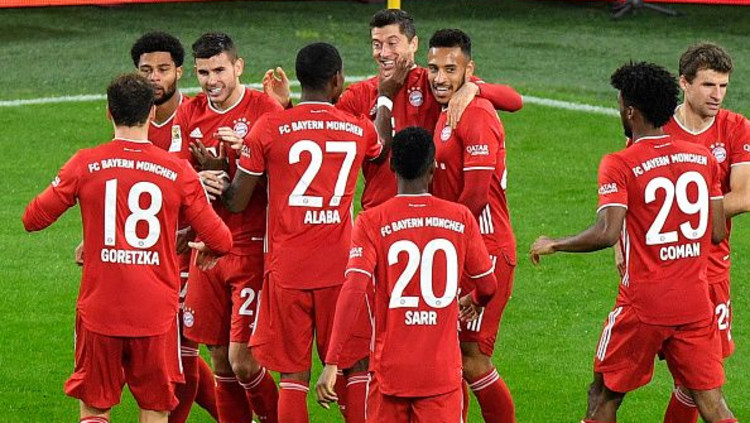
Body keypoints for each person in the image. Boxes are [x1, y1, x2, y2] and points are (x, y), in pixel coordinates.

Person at [530, 61, 738, 423]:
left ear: (630, 111)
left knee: (602, 396)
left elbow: (607, 232)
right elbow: (718, 232)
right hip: (696, 304)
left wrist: (557, 243)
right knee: (712, 404)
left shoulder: (620, 163)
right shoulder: (703, 158)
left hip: (643, 306)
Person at [22, 73, 233, 423]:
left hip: (99, 311)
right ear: (151, 113)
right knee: (154, 409)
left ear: (109, 111)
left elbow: (33, 219)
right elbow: (222, 240)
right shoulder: (178, 171)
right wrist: (205, 246)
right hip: (156, 315)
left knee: (94, 409)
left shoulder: (85, 163)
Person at [212, 42, 386, 423]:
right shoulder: (357, 128)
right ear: (337, 80)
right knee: (356, 365)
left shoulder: (269, 127)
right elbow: (380, 150)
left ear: (299, 79)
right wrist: (385, 98)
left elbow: (237, 201)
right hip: (341, 269)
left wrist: (220, 173)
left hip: (287, 270)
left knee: (293, 375)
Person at [314, 126, 497, 423]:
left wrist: (332, 361)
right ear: (433, 168)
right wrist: (475, 299)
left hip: (390, 373)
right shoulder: (460, 217)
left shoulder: (371, 221)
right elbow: (488, 285)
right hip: (440, 376)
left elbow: (354, 289)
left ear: (391, 166)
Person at [175, 32, 282, 423]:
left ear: (238, 67)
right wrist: (196, 180)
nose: (211, 81)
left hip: (251, 247)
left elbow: (285, 183)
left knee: (244, 361)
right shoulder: (190, 113)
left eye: (219, 70)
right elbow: (175, 174)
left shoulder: (265, 109)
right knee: (220, 358)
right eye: (203, 72)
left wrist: (243, 156)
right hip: (207, 249)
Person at [412, 28, 514, 423]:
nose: (439, 77)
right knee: (451, 356)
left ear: (469, 70)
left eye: (450, 69)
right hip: (458, 246)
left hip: (484, 250)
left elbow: (475, 196)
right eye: (434, 68)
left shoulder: (477, 114)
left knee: (472, 358)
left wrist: (436, 235)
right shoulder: (449, 106)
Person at [651, 43, 750, 423]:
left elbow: (743, 196)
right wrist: (621, 252)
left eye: (723, 86)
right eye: (709, 85)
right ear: (684, 83)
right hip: (658, 271)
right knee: (613, 380)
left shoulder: (735, 127)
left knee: (698, 379)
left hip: (710, 271)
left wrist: (684, 215)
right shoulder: (657, 127)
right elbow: (631, 194)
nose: (717, 95)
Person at [130, 31, 219, 423]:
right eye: (146, 70)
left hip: (191, 250)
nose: (154, 77)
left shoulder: (197, 115)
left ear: (179, 72)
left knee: (182, 351)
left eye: (163, 69)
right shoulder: (131, 116)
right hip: (148, 249)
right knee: (169, 350)